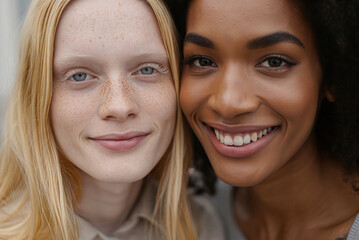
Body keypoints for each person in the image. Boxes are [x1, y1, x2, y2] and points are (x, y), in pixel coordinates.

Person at [0, 0, 224, 239]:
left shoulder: (199, 225)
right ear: (36, 98)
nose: (120, 106)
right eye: (80, 75)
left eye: (147, 69)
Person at [167, 0, 359, 239]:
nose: (228, 103)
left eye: (274, 62)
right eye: (202, 61)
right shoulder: (188, 212)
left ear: (331, 76)